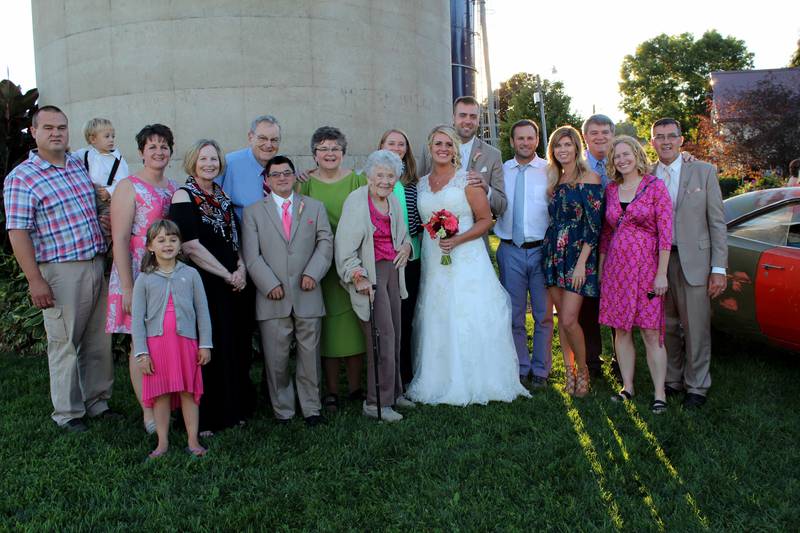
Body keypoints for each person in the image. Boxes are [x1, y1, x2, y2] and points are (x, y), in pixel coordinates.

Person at [4, 105, 114, 432]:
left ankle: (98, 402)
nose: (56, 133)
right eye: (49, 127)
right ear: (33, 132)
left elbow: (95, 206)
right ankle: (68, 414)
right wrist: (35, 280)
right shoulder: (21, 177)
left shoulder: (77, 165)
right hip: (60, 270)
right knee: (64, 343)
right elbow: (18, 231)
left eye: (62, 128)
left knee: (97, 341)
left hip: (95, 262)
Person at [407, 125, 530, 405]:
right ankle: (436, 376)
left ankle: (475, 377)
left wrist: (458, 239)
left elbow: (486, 220)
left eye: (448, 144)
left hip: (466, 256)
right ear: (430, 147)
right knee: (437, 312)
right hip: (434, 257)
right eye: (438, 143)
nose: (443, 148)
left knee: (466, 312)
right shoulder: (422, 184)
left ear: (455, 150)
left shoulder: (468, 181)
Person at [170, 139, 255, 435]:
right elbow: (191, 246)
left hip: (232, 280)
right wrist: (226, 274)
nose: (209, 164)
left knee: (232, 344)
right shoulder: (183, 196)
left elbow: (235, 237)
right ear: (193, 162)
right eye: (204, 159)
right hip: (204, 282)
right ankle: (206, 417)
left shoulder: (222, 194)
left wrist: (241, 267)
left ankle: (233, 410)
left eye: (214, 159)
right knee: (208, 346)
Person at [242, 155, 333, 426]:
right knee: (276, 357)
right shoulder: (253, 212)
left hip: (307, 292)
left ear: (294, 176)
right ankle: (283, 409)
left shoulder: (314, 207)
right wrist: (269, 283)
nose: (282, 178)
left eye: (287, 173)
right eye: (276, 174)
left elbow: (325, 243)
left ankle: (311, 408)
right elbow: (252, 255)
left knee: (309, 355)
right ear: (267, 180)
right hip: (272, 295)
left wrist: (312, 273)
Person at [651, 118, 727, 408]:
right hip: (658, 263)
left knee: (696, 326)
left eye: (671, 136)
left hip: (696, 260)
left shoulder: (703, 171)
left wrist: (718, 267)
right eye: (659, 137)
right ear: (653, 142)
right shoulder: (647, 175)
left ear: (681, 140)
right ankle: (671, 380)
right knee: (666, 325)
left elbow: (717, 223)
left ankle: (697, 385)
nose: (666, 141)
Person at [108, 124, 179, 433]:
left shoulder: (174, 187)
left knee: (164, 340)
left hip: (166, 273)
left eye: (164, 146)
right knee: (142, 343)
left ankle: (168, 403)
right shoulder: (128, 186)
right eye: (152, 147)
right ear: (141, 152)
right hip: (136, 271)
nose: (159, 152)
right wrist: (127, 286)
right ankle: (148, 412)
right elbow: (120, 238)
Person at [336, 150, 414, 421]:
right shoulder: (357, 202)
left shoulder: (392, 199)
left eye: (390, 176)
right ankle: (375, 403)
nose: (385, 180)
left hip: (394, 272)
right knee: (382, 338)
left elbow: (403, 236)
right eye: (379, 174)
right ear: (368, 176)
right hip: (370, 276)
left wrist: (405, 246)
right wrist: (358, 275)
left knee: (396, 333)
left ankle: (394, 393)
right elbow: (344, 248)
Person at [599, 136, 672, 414]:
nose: (622, 159)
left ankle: (659, 392)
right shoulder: (611, 190)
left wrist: (662, 274)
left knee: (651, 331)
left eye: (626, 154)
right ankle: (627, 386)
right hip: (617, 271)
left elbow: (666, 235)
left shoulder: (655, 187)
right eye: (617, 156)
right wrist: (603, 270)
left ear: (637, 155)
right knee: (621, 329)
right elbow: (606, 234)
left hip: (649, 271)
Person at [298, 126, 367, 412]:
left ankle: (355, 387)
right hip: (318, 266)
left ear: (343, 152)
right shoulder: (304, 184)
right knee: (326, 330)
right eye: (323, 148)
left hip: (352, 264)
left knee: (352, 326)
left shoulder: (358, 181)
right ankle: (330, 391)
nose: (329, 153)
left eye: (335, 148)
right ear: (314, 154)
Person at [132, 220, 212, 458]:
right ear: (150, 246)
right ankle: (162, 443)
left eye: (173, 239)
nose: (168, 244)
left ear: (180, 245)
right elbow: (137, 320)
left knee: (189, 391)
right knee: (161, 394)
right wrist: (142, 352)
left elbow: (203, 311)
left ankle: (192, 441)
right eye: (161, 240)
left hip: (185, 343)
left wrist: (205, 344)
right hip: (157, 346)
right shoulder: (144, 279)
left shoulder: (191, 274)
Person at [542, 125, 603, 398]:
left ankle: (584, 371)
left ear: (577, 147)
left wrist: (582, 263)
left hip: (579, 255)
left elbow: (594, 226)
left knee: (569, 319)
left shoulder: (590, 177)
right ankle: (569, 372)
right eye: (558, 146)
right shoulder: (554, 179)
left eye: (567, 144)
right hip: (554, 253)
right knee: (560, 318)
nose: (562, 150)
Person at [494, 119, 554, 387]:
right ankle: (520, 365)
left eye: (530, 138)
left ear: (537, 141)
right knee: (514, 314)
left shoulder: (550, 170)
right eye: (520, 138)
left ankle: (541, 369)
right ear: (512, 142)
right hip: (510, 250)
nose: (525, 143)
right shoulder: (502, 171)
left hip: (542, 250)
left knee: (542, 314)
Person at [378, 129, 422, 386]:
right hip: (383, 259)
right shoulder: (371, 179)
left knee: (406, 318)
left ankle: (405, 374)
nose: (396, 147)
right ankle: (385, 374)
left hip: (412, 257)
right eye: (391, 143)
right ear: (381, 146)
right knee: (387, 319)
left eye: (401, 144)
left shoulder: (413, 181)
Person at [419, 96, 507, 219]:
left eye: (473, 116)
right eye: (462, 115)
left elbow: (501, 206)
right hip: (435, 232)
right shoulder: (432, 150)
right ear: (453, 118)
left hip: (476, 233)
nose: (468, 121)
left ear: (478, 120)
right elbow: (420, 192)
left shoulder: (492, 155)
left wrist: (486, 188)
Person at [579, 114, 615, 377]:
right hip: (584, 244)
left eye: (605, 131)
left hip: (617, 244)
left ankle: (619, 360)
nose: (600, 136)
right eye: (594, 132)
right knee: (587, 304)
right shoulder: (575, 167)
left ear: (612, 135)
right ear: (585, 137)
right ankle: (592, 361)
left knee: (616, 303)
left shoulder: (625, 162)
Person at [217, 115, 281, 221]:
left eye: (274, 140)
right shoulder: (228, 163)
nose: (269, 145)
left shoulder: (282, 168)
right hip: (239, 234)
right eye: (262, 138)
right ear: (250, 137)